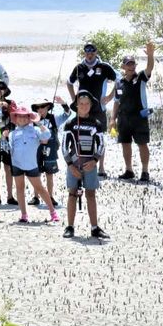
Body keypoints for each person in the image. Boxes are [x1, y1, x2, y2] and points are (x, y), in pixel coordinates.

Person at [61, 90, 109, 239]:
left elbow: (101, 145)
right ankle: (70, 227)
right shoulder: (70, 123)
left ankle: (95, 227)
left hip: (90, 165)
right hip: (74, 164)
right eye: (81, 104)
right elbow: (64, 147)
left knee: (91, 194)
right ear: (76, 105)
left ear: (91, 105)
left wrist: (94, 161)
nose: (84, 106)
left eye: (87, 103)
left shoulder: (96, 124)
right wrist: (70, 165)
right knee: (72, 193)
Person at [66, 42, 118, 177]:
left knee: (99, 138)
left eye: (92, 52)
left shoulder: (104, 67)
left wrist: (110, 96)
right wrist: (74, 100)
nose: (89, 55)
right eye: (87, 52)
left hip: (99, 108)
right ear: (84, 53)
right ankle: (80, 162)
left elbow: (119, 80)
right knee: (79, 136)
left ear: (96, 52)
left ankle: (101, 167)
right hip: (82, 108)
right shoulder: (79, 67)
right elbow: (69, 82)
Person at [110, 43, 155, 182]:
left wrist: (150, 55)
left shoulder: (140, 78)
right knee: (125, 144)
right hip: (123, 119)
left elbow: (149, 68)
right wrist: (112, 119)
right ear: (123, 67)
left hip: (139, 118)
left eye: (133, 64)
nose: (131, 66)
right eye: (128, 64)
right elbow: (116, 102)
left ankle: (145, 171)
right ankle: (129, 170)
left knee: (142, 144)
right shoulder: (119, 83)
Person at [9, 106, 60, 223]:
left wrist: (38, 123)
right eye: (19, 116)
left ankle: (53, 212)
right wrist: (3, 138)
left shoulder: (36, 130)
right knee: (19, 188)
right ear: (15, 118)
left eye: (25, 116)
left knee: (40, 188)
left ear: (29, 118)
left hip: (31, 165)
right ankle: (23, 214)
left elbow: (47, 136)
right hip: (16, 164)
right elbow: (10, 149)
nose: (22, 119)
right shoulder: (12, 133)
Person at [30, 96, 71, 207]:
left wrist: (63, 103)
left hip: (51, 149)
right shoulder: (32, 120)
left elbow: (67, 114)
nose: (40, 109)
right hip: (37, 150)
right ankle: (36, 197)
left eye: (43, 106)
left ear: (48, 107)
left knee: (50, 174)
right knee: (36, 173)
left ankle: (50, 196)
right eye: (37, 107)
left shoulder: (54, 118)